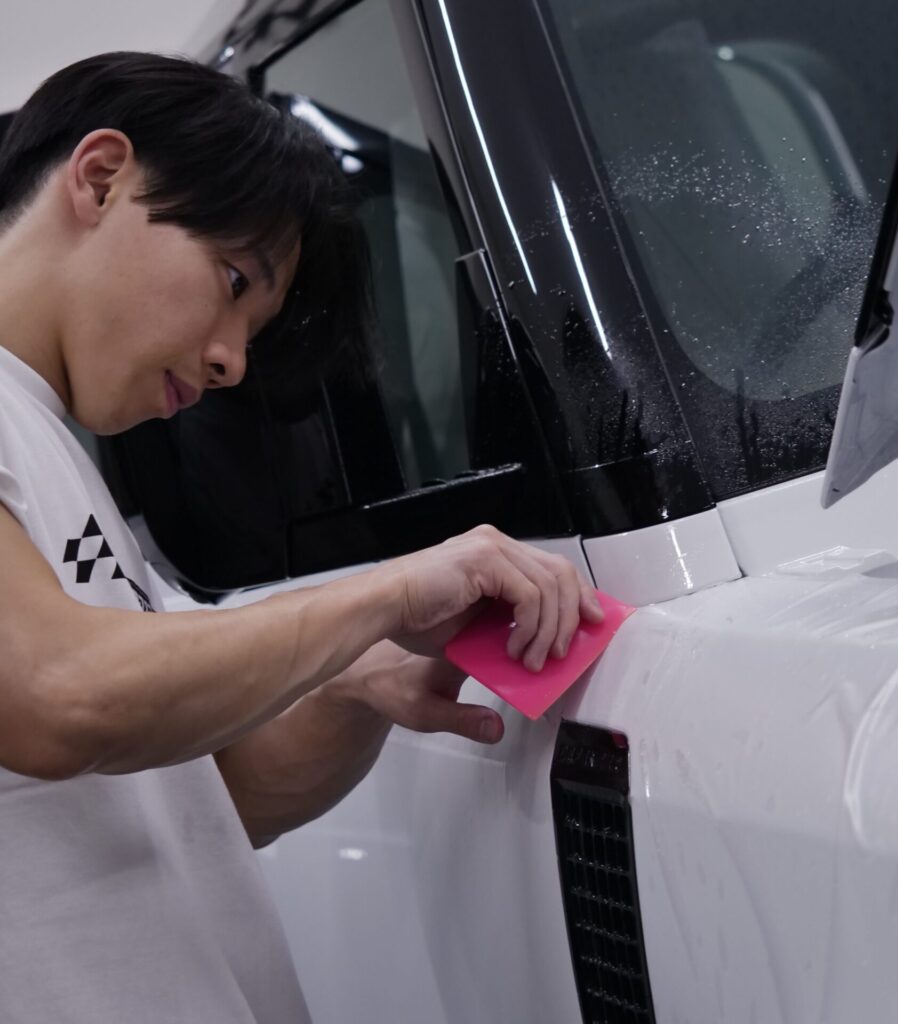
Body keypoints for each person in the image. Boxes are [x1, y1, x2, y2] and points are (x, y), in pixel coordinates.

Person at [0, 52, 603, 1022]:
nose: (231, 361)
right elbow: (57, 694)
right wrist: (382, 595)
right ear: (103, 177)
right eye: (234, 278)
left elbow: (205, 803)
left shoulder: (50, 453)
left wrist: (351, 686)